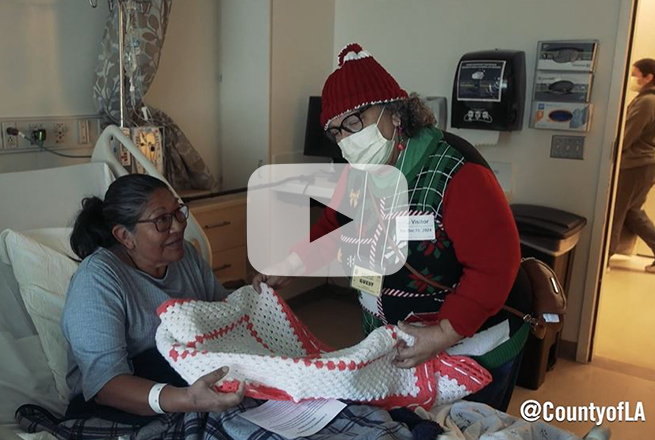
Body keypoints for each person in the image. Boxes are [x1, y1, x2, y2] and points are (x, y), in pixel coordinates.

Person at [253, 43, 530, 411]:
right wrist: (288, 266)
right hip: (394, 334)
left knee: (464, 428)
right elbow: (333, 230)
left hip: (470, 338)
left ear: (395, 114)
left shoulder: (457, 173)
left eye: (355, 122)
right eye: (336, 132)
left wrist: (445, 333)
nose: (347, 140)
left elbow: (497, 264)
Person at [61, 174, 244, 418]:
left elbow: (223, 314)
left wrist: (256, 295)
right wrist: (187, 399)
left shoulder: (185, 256)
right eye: (162, 220)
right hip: (122, 406)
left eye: (178, 212)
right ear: (125, 236)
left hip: (191, 385)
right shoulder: (97, 280)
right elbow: (106, 386)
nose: (178, 226)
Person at [609, 58, 655, 271]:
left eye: (635, 74)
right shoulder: (647, 99)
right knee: (631, 211)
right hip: (643, 163)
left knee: (616, 211)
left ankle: (603, 256)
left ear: (648, 78)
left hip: (636, 164)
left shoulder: (647, 102)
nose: (632, 79)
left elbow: (628, 136)